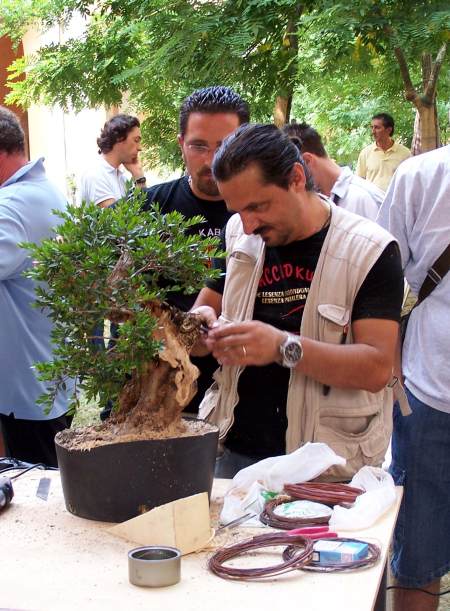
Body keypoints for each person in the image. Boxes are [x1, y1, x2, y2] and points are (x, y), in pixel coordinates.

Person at [190, 123, 404, 479]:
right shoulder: (237, 234)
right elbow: (202, 317)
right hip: (235, 455)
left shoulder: (370, 250)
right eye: (237, 210)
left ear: (296, 178)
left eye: (257, 206)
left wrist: (282, 347)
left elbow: (376, 369)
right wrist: (199, 327)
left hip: (324, 469)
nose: (248, 225)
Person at [142, 85, 250, 414]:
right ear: (181, 145)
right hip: (160, 391)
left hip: (240, 396)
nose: (212, 160)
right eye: (199, 146)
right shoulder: (147, 209)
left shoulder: (262, 214)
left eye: (225, 146)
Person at [377, 146, 450, 611]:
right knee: (417, 563)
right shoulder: (421, 175)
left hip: (427, 389)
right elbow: (379, 277)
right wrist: (389, 363)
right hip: (429, 393)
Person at [0, 106, 71, 467]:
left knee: (37, 486)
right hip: (49, 376)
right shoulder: (45, 191)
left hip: (28, 391)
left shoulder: (9, 207)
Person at [284, 122, 383, 220]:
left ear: (307, 161)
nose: (293, 183)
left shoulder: (367, 200)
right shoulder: (316, 199)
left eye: (292, 174)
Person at [78, 114, 145, 208]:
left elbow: (145, 211)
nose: (140, 148)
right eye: (136, 140)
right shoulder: (95, 175)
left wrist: (138, 176)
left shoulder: (122, 177)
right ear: (119, 138)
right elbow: (118, 216)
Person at [356, 113, 411, 192]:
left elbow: (409, 181)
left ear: (389, 130)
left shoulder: (405, 153)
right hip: (372, 199)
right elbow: (359, 181)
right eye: (372, 127)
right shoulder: (365, 153)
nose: (373, 131)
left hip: (396, 198)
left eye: (377, 128)